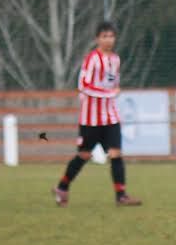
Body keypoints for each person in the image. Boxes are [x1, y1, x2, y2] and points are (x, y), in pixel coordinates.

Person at [53, 21, 141, 207]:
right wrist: (108, 93)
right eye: (104, 36)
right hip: (90, 119)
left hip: (110, 116)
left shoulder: (116, 59)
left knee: (116, 153)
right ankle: (62, 187)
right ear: (97, 39)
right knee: (84, 155)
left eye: (111, 36)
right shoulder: (92, 59)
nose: (109, 40)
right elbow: (84, 85)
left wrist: (114, 90)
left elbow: (114, 82)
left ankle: (121, 196)